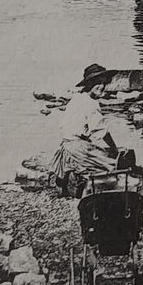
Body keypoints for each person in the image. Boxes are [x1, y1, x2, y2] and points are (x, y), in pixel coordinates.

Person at [50, 63, 124, 195]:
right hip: (78, 148)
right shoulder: (91, 103)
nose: (102, 86)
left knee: (102, 154)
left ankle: (70, 178)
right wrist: (115, 150)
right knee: (113, 165)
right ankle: (82, 183)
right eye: (98, 83)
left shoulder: (77, 98)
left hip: (67, 145)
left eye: (104, 83)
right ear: (90, 84)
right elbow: (102, 131)